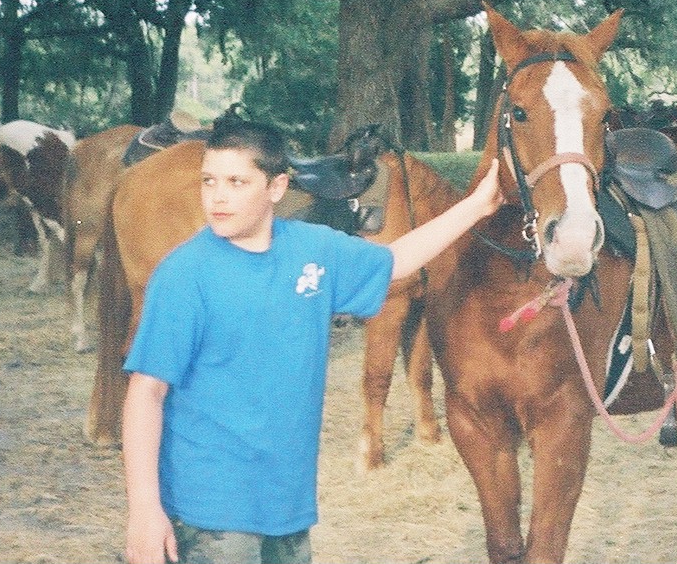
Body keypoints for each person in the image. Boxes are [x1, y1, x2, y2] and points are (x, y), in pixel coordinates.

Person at [122, 115, 504, 564]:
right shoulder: (184, 275)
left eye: (236, 182)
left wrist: (477, 205)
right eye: (209, 181)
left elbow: (395, 260)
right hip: (209, 512)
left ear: (277, 187)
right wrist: (145, 510)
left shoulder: (314, 251)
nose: (218, 197)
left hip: (288, 505)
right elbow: (145, 392)